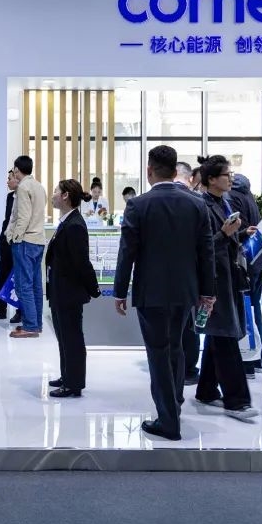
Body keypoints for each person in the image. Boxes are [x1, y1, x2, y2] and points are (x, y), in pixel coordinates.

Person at [113, 145, 215, 441]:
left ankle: (168, 421)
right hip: (186, 291)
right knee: (176, 349)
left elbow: (127, 252)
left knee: (158, 352)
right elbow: (206, 251)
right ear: (174, 170)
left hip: (151, 291)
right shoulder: (197, 203)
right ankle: (175, 405)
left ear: (149, 171)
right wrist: (207, 291)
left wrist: (119, 291)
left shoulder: (138, 205)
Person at [194, 155, 259, 421]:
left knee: (219, 333)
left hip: (228, 275)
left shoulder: (225, 201)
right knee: (225, 336)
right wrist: (225, 234)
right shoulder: (201, 206)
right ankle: (237, 401)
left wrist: (241, 234)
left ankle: (207, 389)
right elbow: (201, 247)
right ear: (211, 179)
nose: (231, 179)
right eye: (226, 175)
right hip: (214, 280)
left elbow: (224, 238)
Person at [46, 179, 101, 398]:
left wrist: (93, 288)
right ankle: (67, 375)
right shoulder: (67, 221)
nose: (53, 195)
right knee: (64, 337)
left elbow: (81, 262)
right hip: (60, 290)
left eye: (55, 191)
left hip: (69, 292)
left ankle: (74, 383)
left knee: (72, 338)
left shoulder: (75, 225)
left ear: (66, 196)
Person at [230, 172, 262, 378]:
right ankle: (258, 360)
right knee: (253, 308)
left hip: (242, 262)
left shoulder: (231, 197)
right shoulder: (247, 194)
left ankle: (247, 363)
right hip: (258, 258)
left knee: (243, 310)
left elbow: (236, 230)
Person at [6, 155, 47, 338]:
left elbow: (23, 217)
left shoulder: (23, 187)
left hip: (25, 241)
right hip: (39, 241)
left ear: (17, 170)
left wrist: (15, 238)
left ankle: (30, 326)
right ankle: (36, 324)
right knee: (36, 286)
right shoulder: (39, 186)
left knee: (23, 286)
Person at [173, 160, 202, 385]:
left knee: (175, 331)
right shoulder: (198, 202)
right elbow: (206, 247)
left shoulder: (151, 201)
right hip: (192, 277)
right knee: (189, 326)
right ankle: (188, 369)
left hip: (166, 280)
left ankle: (179, 371)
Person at [0, 170, 21, 323]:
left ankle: (20, 311)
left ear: (17, 179)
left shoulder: (24, 197)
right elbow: (8, 219)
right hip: (5, 240)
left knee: (18, 276)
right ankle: (1, 309)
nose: (7, 181)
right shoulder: (9, 197)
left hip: (18, 241)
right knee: (3, 274)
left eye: (10, 178)